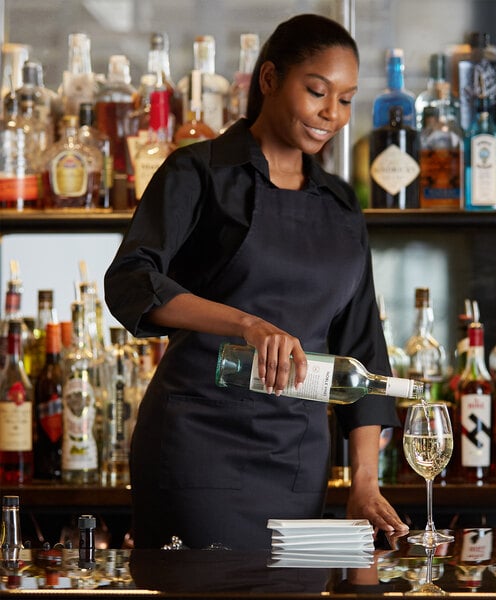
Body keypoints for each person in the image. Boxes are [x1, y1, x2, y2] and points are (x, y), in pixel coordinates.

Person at [104, 13, 408, 550]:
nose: (331, 114)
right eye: (317, 91)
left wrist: (364, 481)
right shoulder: (198, 173)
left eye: (345, 100)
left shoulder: (340, 205)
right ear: (268, 79)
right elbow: (131, 279)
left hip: (296, 456)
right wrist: (245, 323)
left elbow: (363, 347)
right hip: (196, 443)